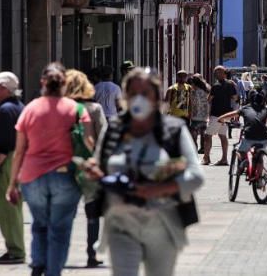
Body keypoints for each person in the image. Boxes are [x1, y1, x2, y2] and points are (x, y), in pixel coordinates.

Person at [84, 67, 204, 276]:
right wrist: (94, 172)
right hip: (121, 225)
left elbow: (195, 175)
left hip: (163, 225)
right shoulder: (114, 129)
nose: (139, 99)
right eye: (133, 94)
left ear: (157, 97)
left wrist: (158, 189)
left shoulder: (173, 129)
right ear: (125, 97)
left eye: (145, 93)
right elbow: (99, 165)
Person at [6, 63, 94, 276]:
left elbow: (19, 151)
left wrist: (12, 184)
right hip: (66, 176)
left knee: (39, 224)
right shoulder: (77, 110)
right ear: (65, 83)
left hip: (32, 176)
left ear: (42, 83)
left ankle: (38, 263)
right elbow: (89, 143)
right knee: (60, 229)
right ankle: (53, 272)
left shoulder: (30, 109)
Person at [63, 69, 108, 268]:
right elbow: (103, 139)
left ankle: (59, 252)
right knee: (92, 212)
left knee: (64, 213)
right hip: (89, 166)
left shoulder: (60, 108)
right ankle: (92, 253)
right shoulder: (95, 109)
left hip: (64, 166)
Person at [0, 72, 25, 265]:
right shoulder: (19, 106)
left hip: (7, 160)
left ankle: (15, 250)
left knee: (8, 208)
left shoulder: (5, 110)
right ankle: (16, 248)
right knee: (13, 208)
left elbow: (4, 143)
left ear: (4, 89)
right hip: (20, 159)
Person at [217, 91, 267, 170]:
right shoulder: (265, 109)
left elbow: (232, 114)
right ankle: (259, 178)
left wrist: (221, 118)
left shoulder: (245, 108)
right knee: (259, 155)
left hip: (249, 136)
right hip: (264, 137)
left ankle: (246, 162)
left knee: (240, 151)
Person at [205, 66, 238, 166]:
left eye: (218, 73)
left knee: (207, 135)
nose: (217, 74)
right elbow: (235, 98)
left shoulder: (215, 86)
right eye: (216, 73)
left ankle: (206, 158)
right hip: (226, 115)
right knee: (223, 136)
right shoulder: (231, 84)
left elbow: (209, 99)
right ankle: (224, 159)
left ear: (224, 73)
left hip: (216, 115)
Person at [188, 74, 210, 154]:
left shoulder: (195, 91)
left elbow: (195, 103)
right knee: (203, 131)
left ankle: (195, 147)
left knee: (193, 131)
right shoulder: (206, 89)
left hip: (196, 114)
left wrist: (191, 113)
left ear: (194, 83)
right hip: (204, 114)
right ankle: (203, 148)